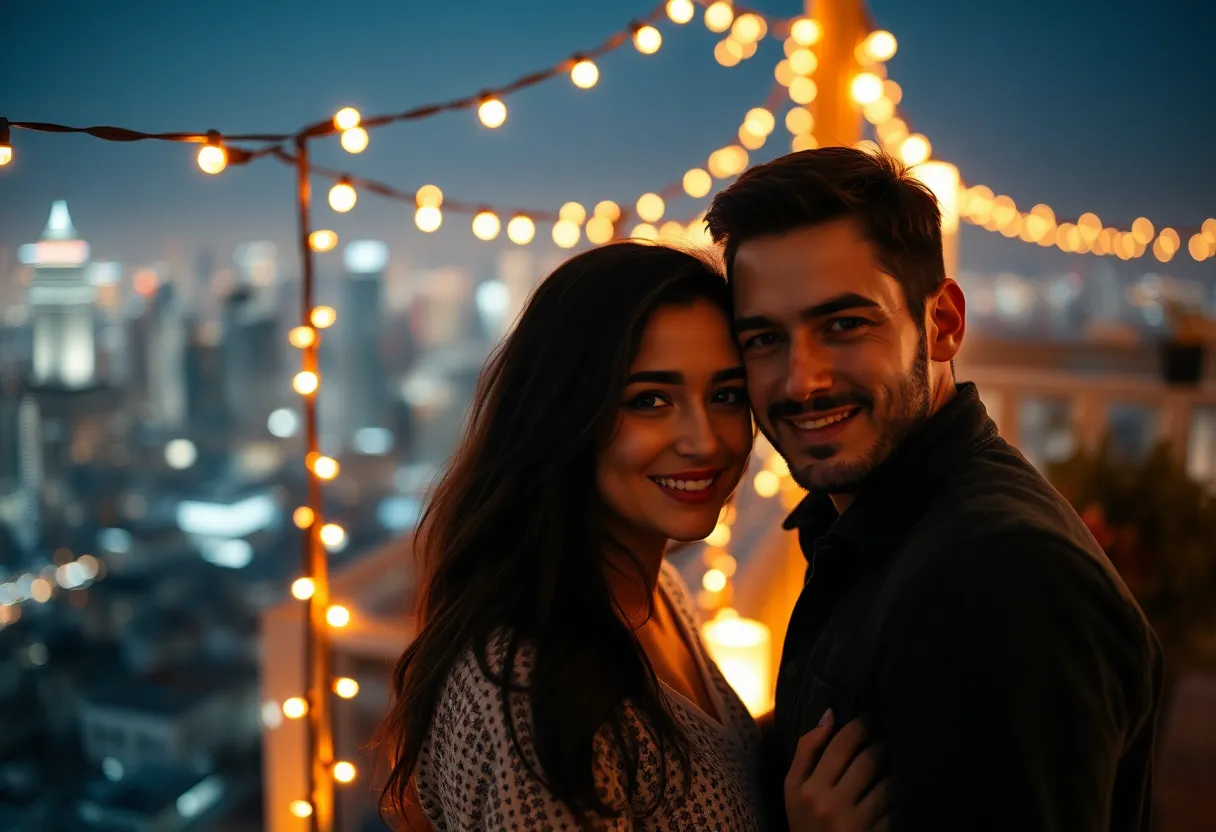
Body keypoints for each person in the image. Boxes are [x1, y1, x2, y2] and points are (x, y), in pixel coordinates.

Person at [704, 147, 1163, 831]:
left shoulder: (996, 577)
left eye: (843, 325)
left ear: (942, 323)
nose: (801, 381)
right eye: (766, 338)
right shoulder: (876, 530)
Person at [376, 241, 886, 831]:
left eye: (725, 395)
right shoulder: (527, 693)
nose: (704, 441)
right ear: (565, 415)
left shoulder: (659, 591)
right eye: (650, 400)